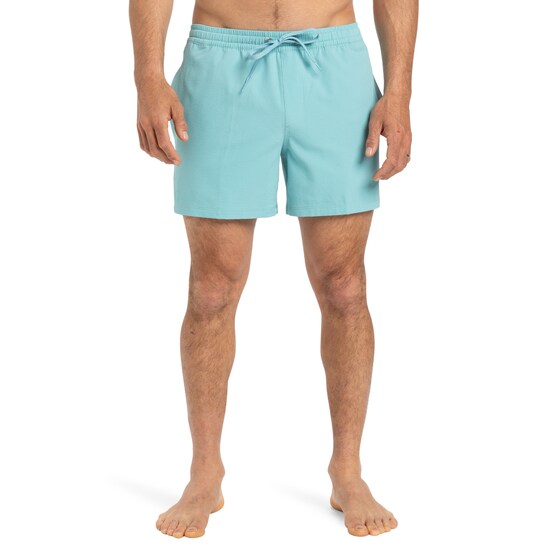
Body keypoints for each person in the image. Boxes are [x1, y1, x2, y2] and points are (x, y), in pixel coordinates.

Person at [129, 0, 417, 539]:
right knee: (211, 289)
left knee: (345, 286)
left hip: (333, 60)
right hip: (220, 59)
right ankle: (204, 473)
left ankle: (348, 471)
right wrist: (147, 75)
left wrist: (398, 91)